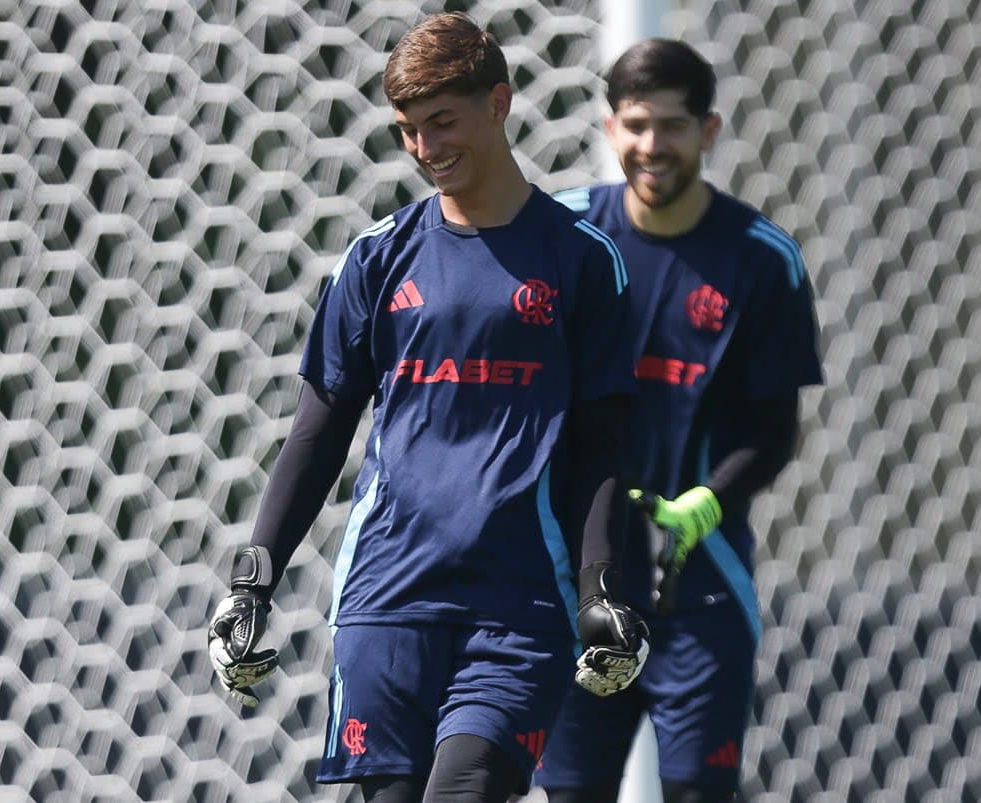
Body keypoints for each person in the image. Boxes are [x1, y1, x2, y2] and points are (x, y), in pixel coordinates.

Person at [206, 13, 650, 803]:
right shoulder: (376, 258)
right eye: (408, 129)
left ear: (500, 103)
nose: (425, 148)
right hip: (386, 600)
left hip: (519, 608)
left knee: (467, 789)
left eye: (443, 121)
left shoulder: (584, 262)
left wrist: (602, 588)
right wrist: (253, 580)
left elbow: (604, 445)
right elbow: (317, 431)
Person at [533, 39, 824, 803]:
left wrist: (710, 499)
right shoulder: (563, 237)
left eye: (672, 125)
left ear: (710, 130)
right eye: (635, 125)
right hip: (578, 582)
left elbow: (773, 429)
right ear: (609, 129)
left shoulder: (763, 259)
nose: (651, 146)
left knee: (698, 791)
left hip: (701, 585)